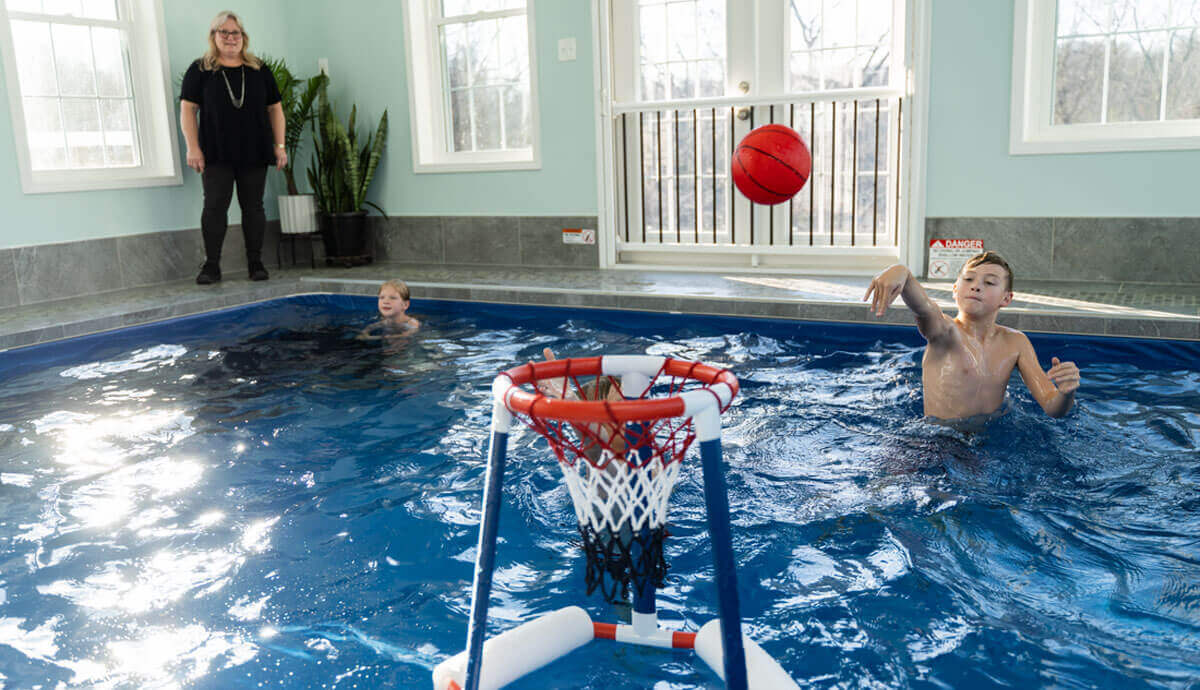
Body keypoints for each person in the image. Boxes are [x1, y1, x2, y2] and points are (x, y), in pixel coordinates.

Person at [864, 251, 1080, 421]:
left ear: (1006, 298)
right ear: (955, 289)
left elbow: (1052, 407)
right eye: (969, 279)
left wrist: (1066, 393)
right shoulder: (946, 332)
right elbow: (925, 308)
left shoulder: (1016, 342)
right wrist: (903, 273)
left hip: (986, 444)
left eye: (989, 282)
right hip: (938, 440)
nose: (976, 286)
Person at [180, 11, 285, 285]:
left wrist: (280, 145)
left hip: (255, 150)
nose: (230, 38)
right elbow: (188, 110)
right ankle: (211, 266)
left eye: (235, 32)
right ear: (214, 36)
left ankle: (255, 262)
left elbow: (275, 109)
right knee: (214, 207)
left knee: (254, 207)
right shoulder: (200, 70)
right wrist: (193, 147)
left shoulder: (259, 69)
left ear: (243, 37)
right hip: (215, 151)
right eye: (223, 32)